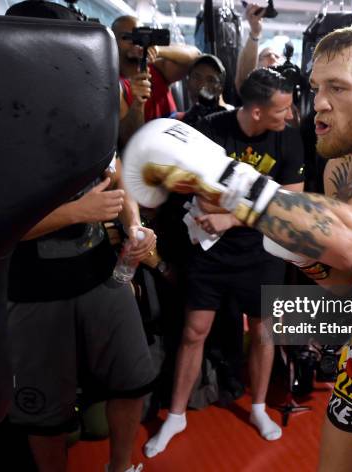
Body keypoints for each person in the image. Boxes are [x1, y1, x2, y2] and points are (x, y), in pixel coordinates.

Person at [122, 27, 352, 472]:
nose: (319, 101)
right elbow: (345, 277)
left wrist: (226, 180)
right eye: (318, 87)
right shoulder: (339, 166)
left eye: (337, 87)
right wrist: (303, 254)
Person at [5, 4, 157, 472]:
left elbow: (112, 177)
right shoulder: (1, 120)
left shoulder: (87, 105)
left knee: (134, 380)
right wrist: (75, 212)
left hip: (100, 274)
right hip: (33, 288)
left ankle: (120, 466)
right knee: (46, 412)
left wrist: (133, 225)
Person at [143, 68, 304, 458]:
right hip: (209, 251)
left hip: (262, 252)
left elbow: (290, 202)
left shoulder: (289, 138)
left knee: (264, 330)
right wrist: (249, 202)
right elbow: (195, 190)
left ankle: (260, 408)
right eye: (281, 109)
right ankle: (177, 415)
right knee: (194, 331)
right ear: (255, 112)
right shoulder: (211, 130)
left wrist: (232, 215)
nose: (290, 115)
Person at [112, 15, 200, 146]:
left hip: (175, 144)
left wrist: (159, 50)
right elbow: (128, 139)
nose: (134, 42)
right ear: (112, 42)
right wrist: (138, 103)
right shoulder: (114, 84)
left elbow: (195, 56)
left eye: (138, 36)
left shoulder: (156, 68)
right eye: (126, 37)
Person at [234, 3, 282, 92]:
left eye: (277, 56)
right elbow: (245, 80)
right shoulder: (253, 94)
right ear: (256, 65)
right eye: (266, 55)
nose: (272, 58)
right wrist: (255, 33)